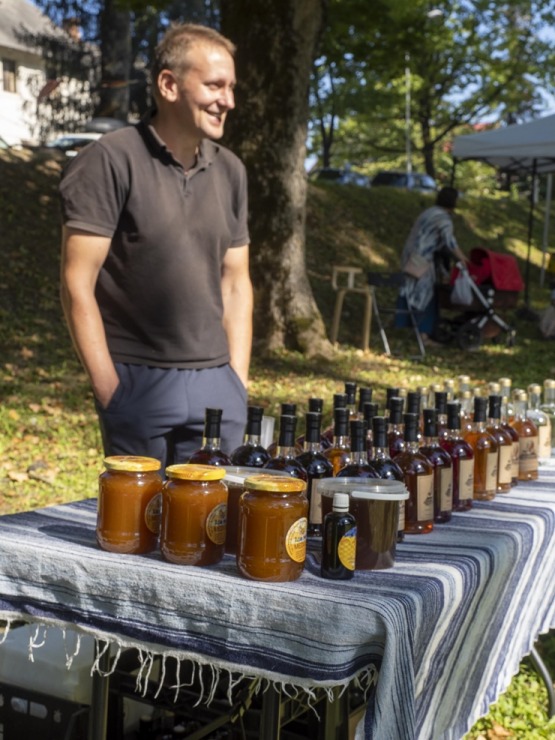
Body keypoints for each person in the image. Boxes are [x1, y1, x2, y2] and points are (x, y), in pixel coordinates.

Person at [59, 23, 253, 467]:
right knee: (138, 531)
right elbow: (77, 283)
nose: (229, 101)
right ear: (168, 84)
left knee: (211, 529)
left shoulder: (232, 172)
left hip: (217, 385)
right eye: (215, 85)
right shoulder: (109, 160)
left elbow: (237, 282)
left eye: (231, 87)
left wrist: (236, 382)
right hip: (136, 381)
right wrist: (111, 388)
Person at [396, 186, 467, 344]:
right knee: (424, 295)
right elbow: (450, 242)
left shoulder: (428, 212)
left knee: (411, 291)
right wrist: (462, 259)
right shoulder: (443, 219)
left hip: (410, 257)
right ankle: (423, 335)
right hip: (422, 261)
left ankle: (412, 327)